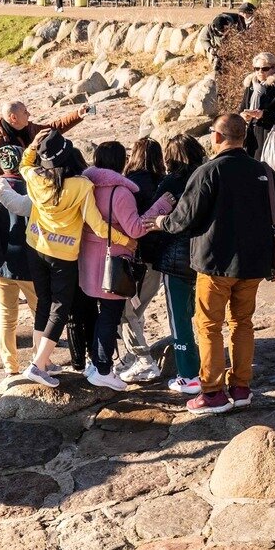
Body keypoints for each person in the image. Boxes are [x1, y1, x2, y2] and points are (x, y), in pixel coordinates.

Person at [149, 114, 275, 414]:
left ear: (216, 137)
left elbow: (184, 219)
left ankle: (212, 393)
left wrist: (161, 221)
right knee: (243, 324)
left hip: (214, 265)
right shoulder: (265, 172)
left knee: (209, 326)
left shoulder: (208, 172)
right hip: (252, 266)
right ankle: (241, 388)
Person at [19, 130, 132, 387]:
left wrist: (33, 146)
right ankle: (38, 365)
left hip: (34, 245)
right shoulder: (81, 186)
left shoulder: (34, 177)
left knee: (44, 303)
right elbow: (99, 226)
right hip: (63, 253)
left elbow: (24, 164)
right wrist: (127, 241)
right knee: (60, 309)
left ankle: (43, 359)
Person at [68, 142, 174, 390]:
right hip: (112, 264)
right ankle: (104, 368)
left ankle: (95, 364)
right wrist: (161, 207)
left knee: (97, 314)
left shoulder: (85, 186)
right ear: (120, 162)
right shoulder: (120, 192)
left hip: (87, 260)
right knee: (110, 315)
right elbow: (136, 229)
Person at [150, 135, 210, 395]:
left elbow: (155, 218)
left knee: (180, 319)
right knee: (208, 318)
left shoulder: (170, 182)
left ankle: (188, 374)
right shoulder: (209, 177)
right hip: (207, 257)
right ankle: (211, 368)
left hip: (176, 259)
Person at [118, 138, 168, 382]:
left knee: (127, 311)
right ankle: (132, 357)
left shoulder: (131, 185)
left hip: (135, 259)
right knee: (136, 310)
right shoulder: (165, 182)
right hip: (158, 259)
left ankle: (143, 360)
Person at [0, 145, 39, 372]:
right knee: (40, 313)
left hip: (1, 263)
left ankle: (10, 365)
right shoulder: (32, 188)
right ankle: (40, 360)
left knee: (6, 316)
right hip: (29, 261)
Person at [0, 101, 88, 179]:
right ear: (14, 118)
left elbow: (51, 129)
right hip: (15, 185)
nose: (29, 114)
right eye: (25, 112)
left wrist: (77, 115)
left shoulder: (27, 127)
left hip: (30, 176)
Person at [240, 51, 275, 159]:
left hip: (272, 139)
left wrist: (263, 115)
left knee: (270, 174)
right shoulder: (250, 88)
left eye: (264, 69)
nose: (260, 72)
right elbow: (241, 109)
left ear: (274, 68)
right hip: (251, 139)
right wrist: (243, 116)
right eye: (256, 68)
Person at [205, 2, 257, 74]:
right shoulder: (210, 26)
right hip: (218, 49)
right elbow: (203, 39)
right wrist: (210, 49)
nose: (224, 34)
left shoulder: (238, 22)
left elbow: (244, 37)